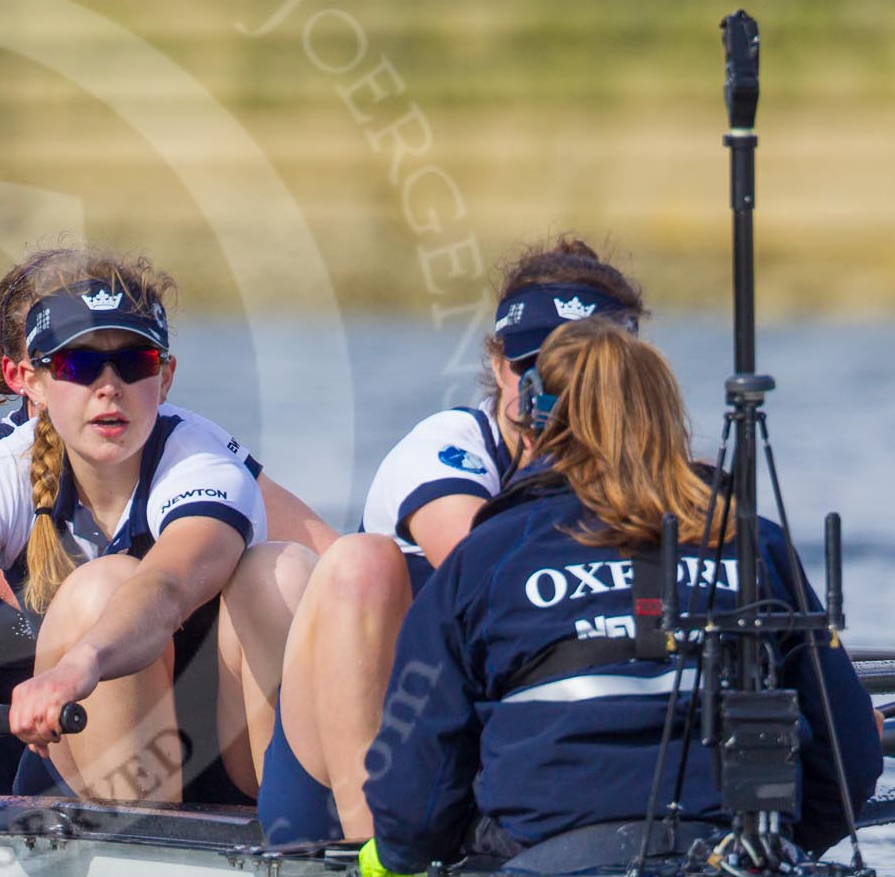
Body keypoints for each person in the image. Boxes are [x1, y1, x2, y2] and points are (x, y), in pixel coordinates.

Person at [360, 316, 881, 877]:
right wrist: (783, 849)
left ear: (535, 423)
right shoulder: (756, 544)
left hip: (544, 861)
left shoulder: (483, 556)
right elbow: (848, 760)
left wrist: (404, 854)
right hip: (736, 854)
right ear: (665, 417)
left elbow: (415, 798)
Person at [0, 246, 315, 804]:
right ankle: (131, 851)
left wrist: (79, 667)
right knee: (87, 587)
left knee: (281, 571)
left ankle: (306, 826)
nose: (108, 387)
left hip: (224, 762)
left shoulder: (203, 463)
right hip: (85, 763)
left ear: (165, 377)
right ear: (35, 383)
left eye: (134, 362)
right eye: (77, 364)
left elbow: (165, 589)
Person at [260, 238, 644, 844]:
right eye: (536, 369)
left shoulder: (659, 476)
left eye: (582, 375)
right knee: (362, 561)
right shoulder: (450, 447)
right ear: (497, 366)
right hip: (340, 782)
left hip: (482, 764)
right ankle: (372, 849)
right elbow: (494, 573)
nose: (557, 396)